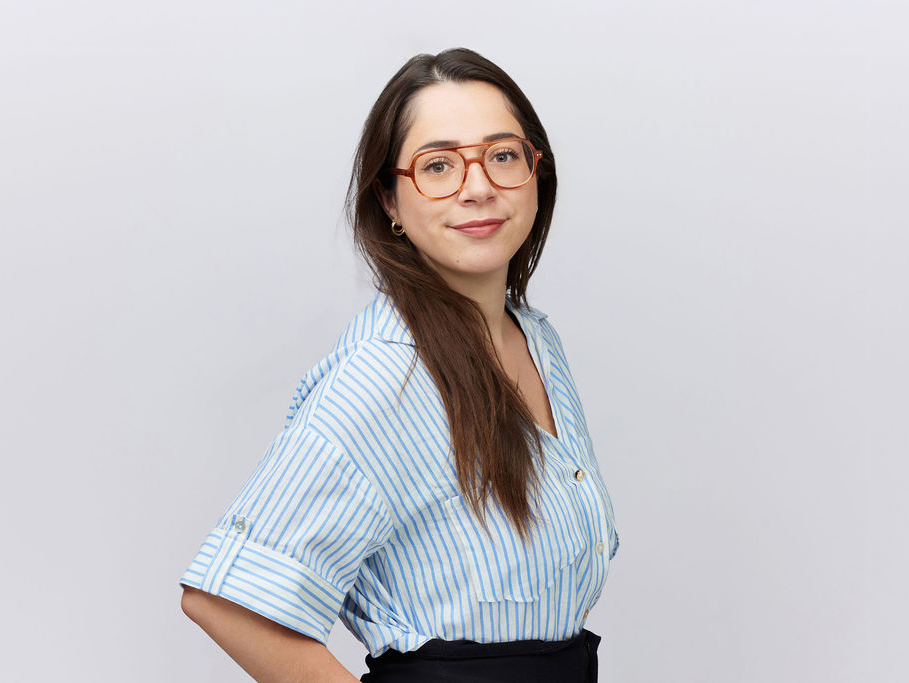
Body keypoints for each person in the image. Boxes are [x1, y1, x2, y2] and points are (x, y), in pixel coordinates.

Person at [179, 47, 619, 682]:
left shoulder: (536, 339)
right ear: (389, 200)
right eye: (438, 165)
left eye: (502, 156)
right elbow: (226, 600)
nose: (478, 186)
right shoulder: (387, 375)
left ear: (535, 172)